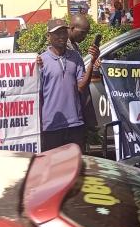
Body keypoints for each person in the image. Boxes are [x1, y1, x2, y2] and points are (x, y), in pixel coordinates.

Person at [37, 19, 99, 151]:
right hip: (51, 126)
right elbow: (38, 96)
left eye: (64, 32)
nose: (61, 36)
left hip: (75, 125)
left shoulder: (75, 57)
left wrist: (92, 62)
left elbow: (81, 87)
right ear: (48, 36)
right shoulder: (41, 61)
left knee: (76, 166)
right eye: (57, 33)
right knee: (53, 168)